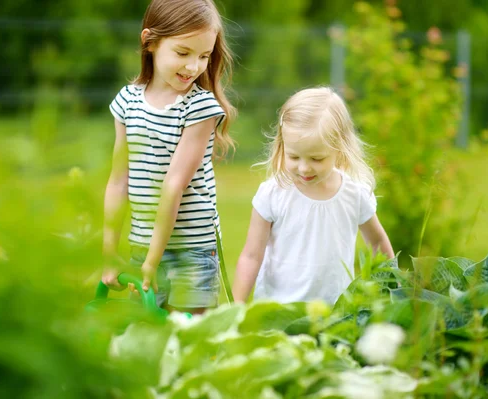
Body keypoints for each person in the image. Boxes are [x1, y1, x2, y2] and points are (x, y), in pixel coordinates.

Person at [101, 0, 236, 315]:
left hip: (192, 253)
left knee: (188, 342)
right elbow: (118, 181)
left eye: (204, 56)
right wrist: (110, 253)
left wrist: (152, 261)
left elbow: (173, 186)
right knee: (147, 340)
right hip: (143, 246)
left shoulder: (199, 108)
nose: (193, 67)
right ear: (150, 42)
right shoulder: (127, 102)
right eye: (183, 53)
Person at [232, 87, 394, 306]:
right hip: (276, 311)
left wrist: (391, 290)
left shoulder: (354, 194)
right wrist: (237, 306)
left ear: (340, 149)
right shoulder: (273, 193)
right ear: (282, 147)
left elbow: (377, 242)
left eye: (316, 159)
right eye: (294, 156)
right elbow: (251, 256)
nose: (304, 168)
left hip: (335, 313)